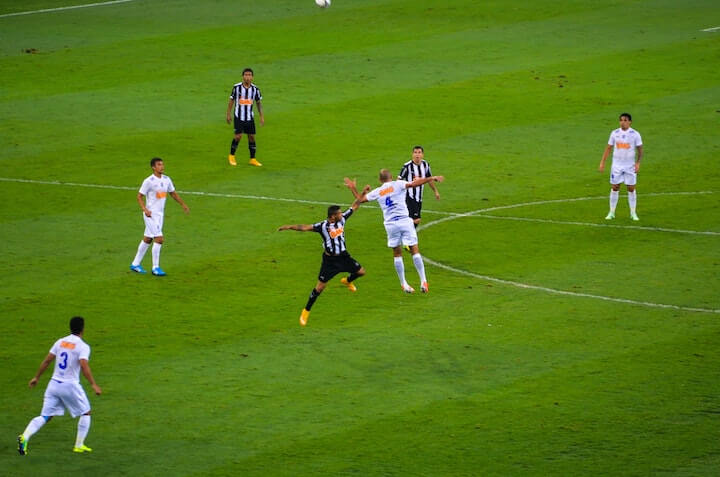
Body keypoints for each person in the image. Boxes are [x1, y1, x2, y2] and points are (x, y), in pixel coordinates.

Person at [278, 187, 371, 326]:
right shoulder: (322, 226)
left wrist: (362, 193)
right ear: (332, 216)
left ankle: (347, 281)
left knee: (361, 272)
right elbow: (305, 227)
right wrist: (289, 226)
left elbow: (354, 206)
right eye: (339, 213)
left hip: (344, 257)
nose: (341, 214)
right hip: (330, 261)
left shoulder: (342, 219)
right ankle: (306, 311)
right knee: (319, 288)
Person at [344, 170, 444, 294]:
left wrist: (353, 188)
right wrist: (431, 178)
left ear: (380, 180)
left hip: (391, 224)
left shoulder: (378, 191)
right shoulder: (398, 184)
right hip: (404, 221)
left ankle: (404, 284)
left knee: (397, 254)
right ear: (391, 177)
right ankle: (423, 281)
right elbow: (414, 184)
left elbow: (360, 200)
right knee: (414, 250)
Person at [18, 316, 102, 455]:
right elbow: (83, 364)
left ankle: (24, 437)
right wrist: (93, 384)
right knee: (86, 412)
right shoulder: (83, 346)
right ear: (83, 329)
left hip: (53, 385)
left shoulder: (60, 342)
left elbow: (47, 361)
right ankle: (79, 445)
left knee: (46, 416)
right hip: (70, 386)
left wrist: (36, 377)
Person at [130, 157, 190, 276]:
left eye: (162, 164)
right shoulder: (149, 181)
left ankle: (135, 264)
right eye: (159, 165)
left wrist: (183, 204)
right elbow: (139, 196)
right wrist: (145, 209)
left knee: (148, 239)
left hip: (160, 215)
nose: (162, 166)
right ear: (153, 167)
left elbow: (172, 193)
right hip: (150, 214)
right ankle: (155, 268)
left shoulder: (167, 180)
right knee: (159, 239)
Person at [598, 113, 643, 220]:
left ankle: (633, 213)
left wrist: (638, 163)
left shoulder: (635, 134)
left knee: (631, 188)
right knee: (615, 187)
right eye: (621, 120)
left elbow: (640, 150)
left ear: (630, 122)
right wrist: (602, 162)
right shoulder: (614, 133)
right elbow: (608, 148)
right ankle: (611, 212)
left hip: (630, 166)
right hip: (616, 166)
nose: (623, 122)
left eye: (625, 120)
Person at [226, 67, 264, 167]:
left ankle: (252, 159)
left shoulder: (255, 89)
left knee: (251, 137)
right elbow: (231, 100)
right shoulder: (236, 87)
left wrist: (261, 116)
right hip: (239, 116)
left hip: (249, 118)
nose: (247, 77)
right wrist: (228, 114)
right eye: (246, 75)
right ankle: (231, 156)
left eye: (249, 75)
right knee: (238, 136)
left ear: (252, 77)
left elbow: (258, 103)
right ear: (243, 76)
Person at [398, 145, 440, 228]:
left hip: (419, 197)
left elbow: (429, 179)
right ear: (412, 154)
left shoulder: (425, 165)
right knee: (416, 219)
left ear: (422, 154)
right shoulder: (407, 166)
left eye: (419, 152)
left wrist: (436, 191)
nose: (417, 155)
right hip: (409, 196)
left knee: (413, 219)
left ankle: (405, 233)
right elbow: (398, 181)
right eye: (415, 152)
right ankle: (406, 235)